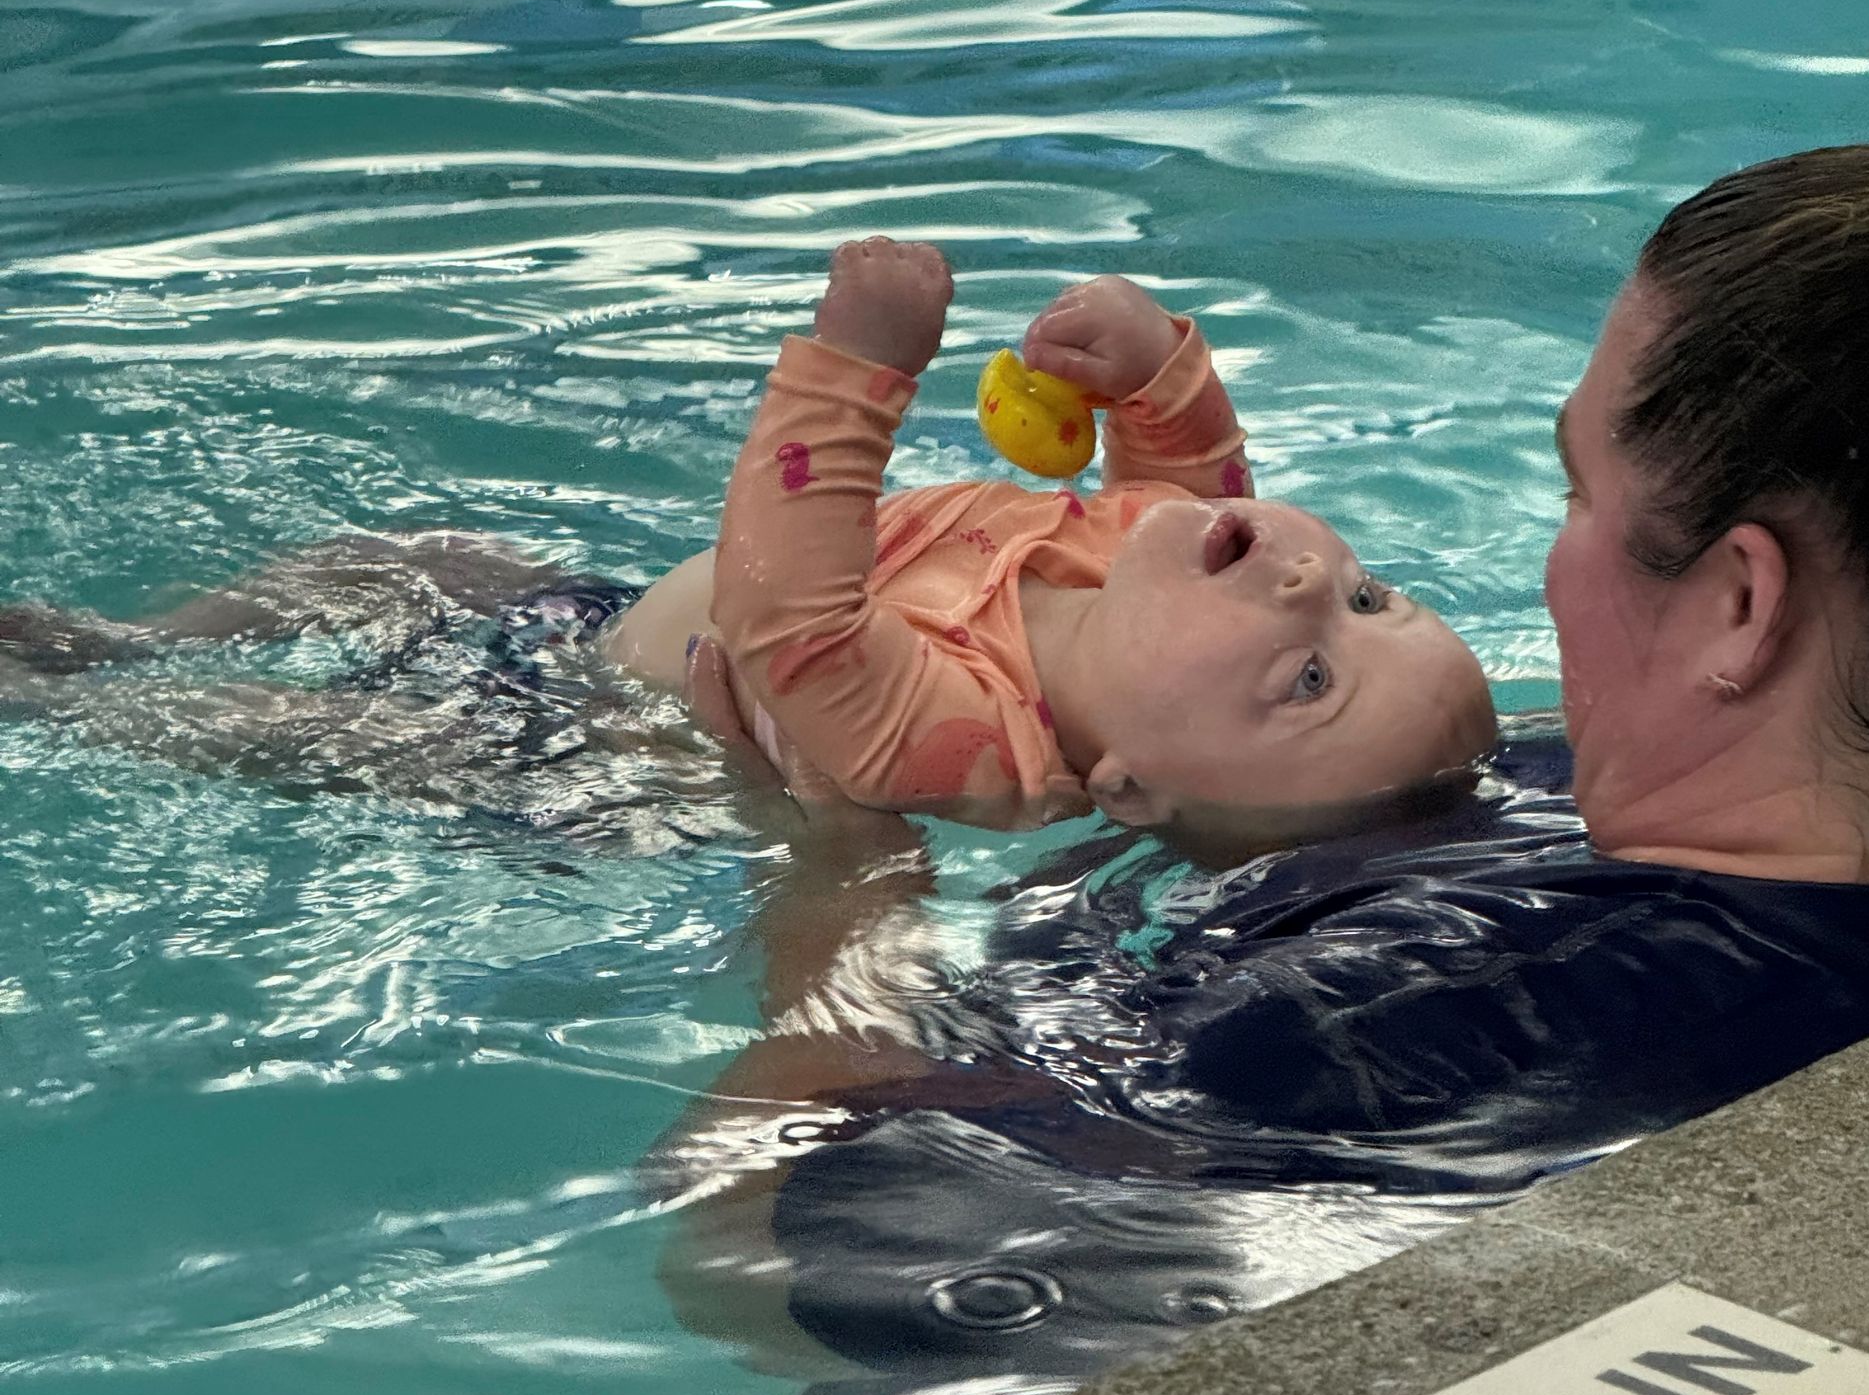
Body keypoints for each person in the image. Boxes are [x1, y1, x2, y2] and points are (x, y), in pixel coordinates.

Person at [644, 143, 1869, 1395]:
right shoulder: (1561, 814)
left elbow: (746, 1256)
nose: (1559, 559)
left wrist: (838, 870)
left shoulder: (1385, 1029)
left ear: (1738, 605)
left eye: (1579, 495)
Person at [0, 249, 1495, 860]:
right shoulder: (1145, 575)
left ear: (1129, 790)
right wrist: (1157, 375)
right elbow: (1194, 498)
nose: (1313, 583)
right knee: (415, 550)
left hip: (591, 746)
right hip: (598, 620)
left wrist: (855, 373)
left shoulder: (973, 748)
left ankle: (70, 703)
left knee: (317, 735)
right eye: (1372, 596)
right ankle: (134, 638)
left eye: (1311, 678)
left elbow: (793, 617)